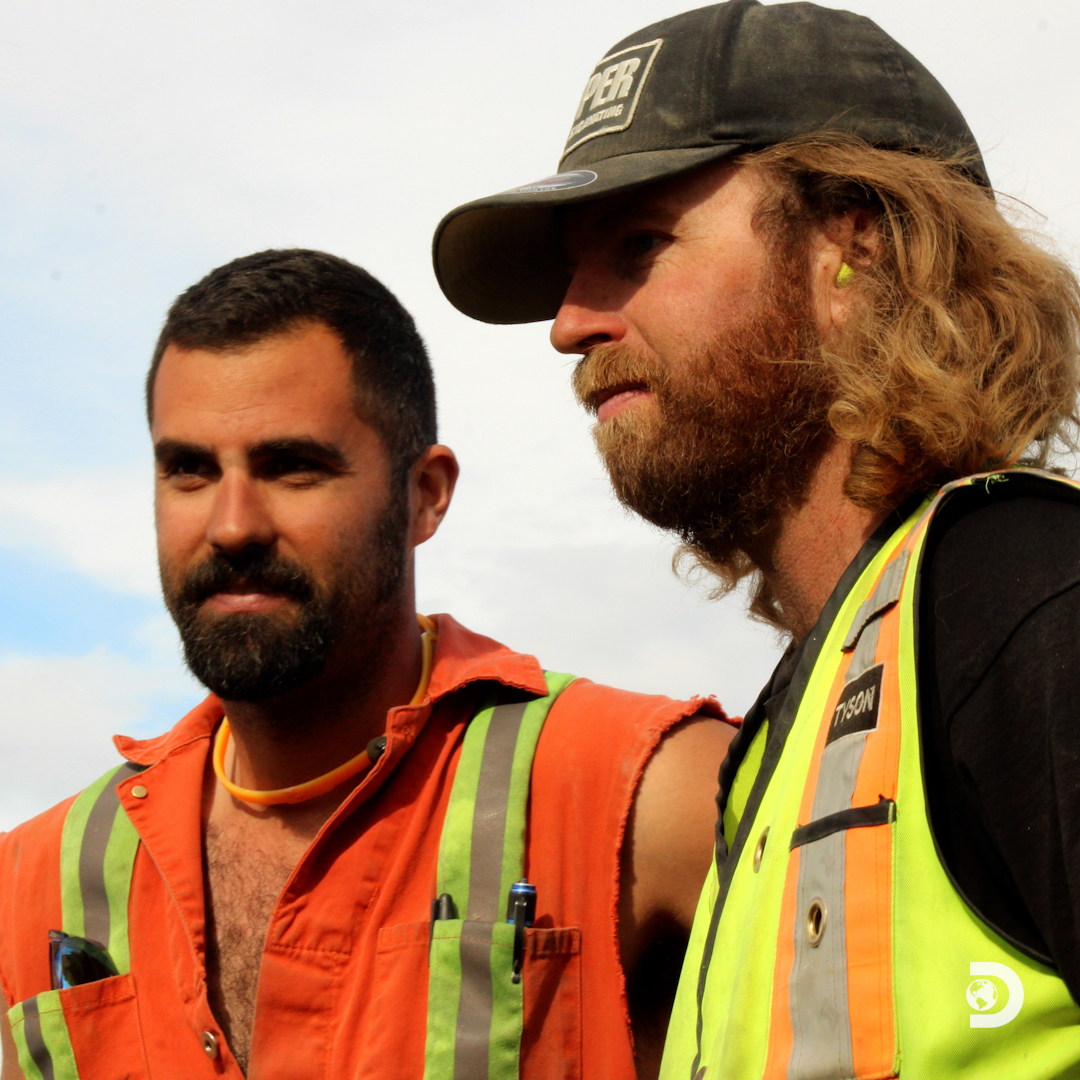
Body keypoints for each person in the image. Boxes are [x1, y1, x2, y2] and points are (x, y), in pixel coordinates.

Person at [433, 1, 1080, 1076]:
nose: (568, 325)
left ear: (855, 255)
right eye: (569, 273)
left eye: (639, 246)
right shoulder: (797, 727)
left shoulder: (1025, 604)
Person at [0, 249, 735, 1080]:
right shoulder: (29, 884)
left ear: (426, 495)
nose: (233, 524)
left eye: (293, 467)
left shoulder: (648, 794)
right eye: (191, 471)